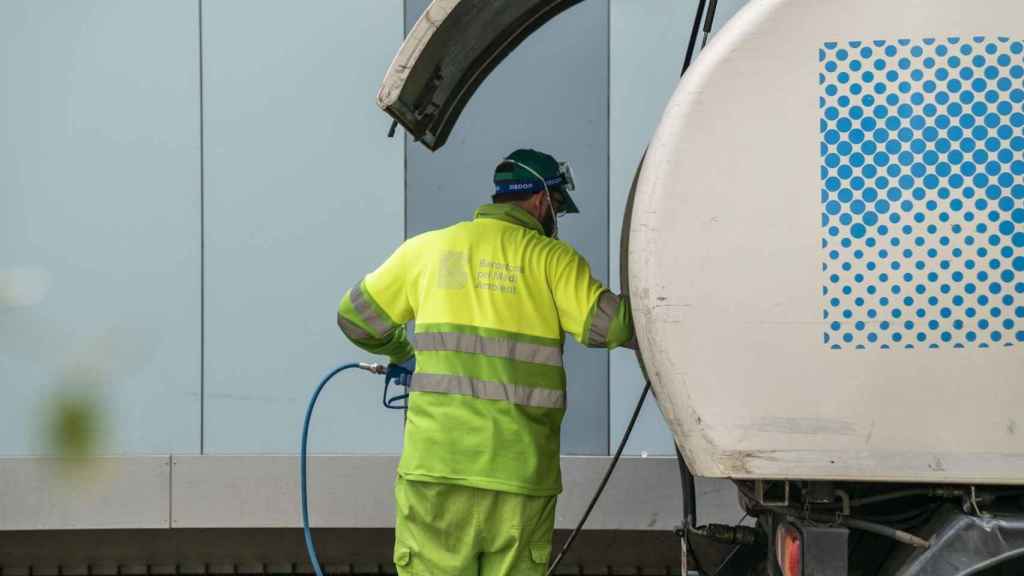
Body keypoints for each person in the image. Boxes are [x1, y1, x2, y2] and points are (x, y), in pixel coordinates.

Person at [337, 148, 636, 575]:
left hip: (437, 473)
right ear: (540, 202)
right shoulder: (551, 260)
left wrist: (405, 355)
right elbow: (613, 329)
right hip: (520, 478)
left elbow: (354, 319)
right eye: (556, 208)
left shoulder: (428, 250)